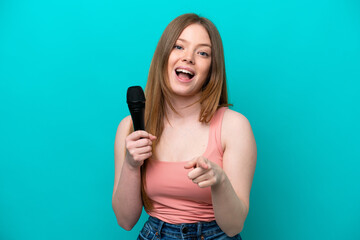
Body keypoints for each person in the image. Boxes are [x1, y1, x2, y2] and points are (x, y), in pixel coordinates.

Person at [112, 13, 257, 240]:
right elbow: (125, 220)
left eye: (202, 53)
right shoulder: (130, 127)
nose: (188, 58)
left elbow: (233, 226)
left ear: (212, 68)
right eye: (179, 47)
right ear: (163, 56)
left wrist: (219, 182)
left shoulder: (234, 126)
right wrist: (131, 166)